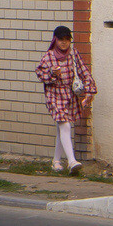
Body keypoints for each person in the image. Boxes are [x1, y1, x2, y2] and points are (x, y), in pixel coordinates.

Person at [34, 25, 96, 174]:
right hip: (54, 96)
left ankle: (56, 161)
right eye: (61, 39)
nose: (64, 43)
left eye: (67, 40)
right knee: (65, 126)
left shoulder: (73, 54)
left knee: (61, 129)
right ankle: (72, 161)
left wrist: (90, 90)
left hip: (69, 95)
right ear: (55, 40)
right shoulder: (49, 56)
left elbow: (84, 72)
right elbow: (40, 75)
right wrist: (52, 74)